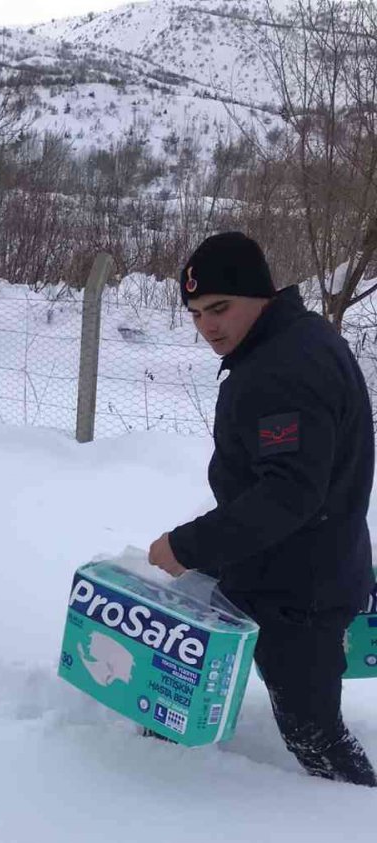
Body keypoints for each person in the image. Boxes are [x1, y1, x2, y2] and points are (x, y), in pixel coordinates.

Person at [148, 231, 376, 785]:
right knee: (180, 671)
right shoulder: (290, 341)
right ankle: (159, 748)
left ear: (263, 294)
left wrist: (188, 546)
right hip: (272, 566)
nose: (208, 326)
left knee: (315, 736)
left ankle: (355, 815)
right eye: (198, 313)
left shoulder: (284, 369)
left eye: (220, 307)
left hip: (301, 591)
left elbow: (289, 493)